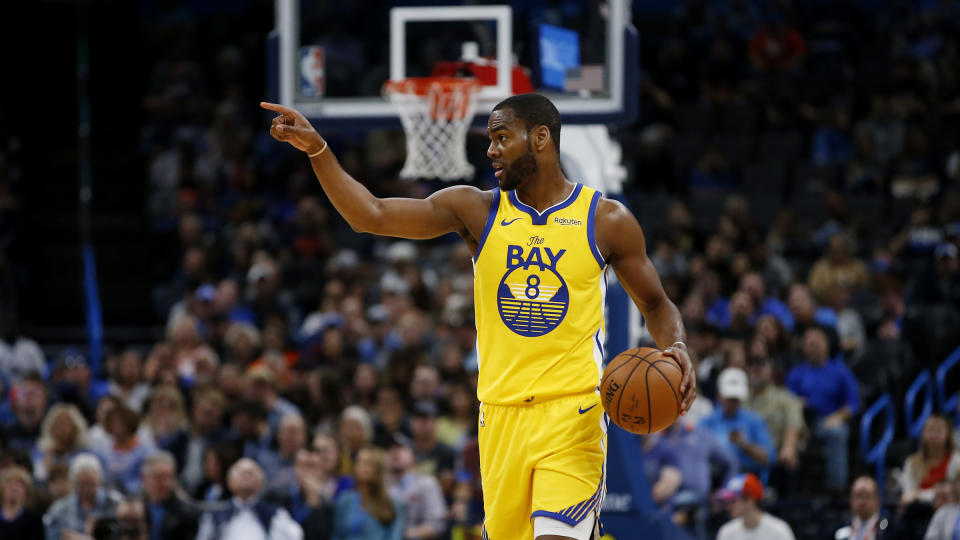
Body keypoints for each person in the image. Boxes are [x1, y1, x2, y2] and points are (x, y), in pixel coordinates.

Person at [261, 91, 696, 540]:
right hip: (499, 418)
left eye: (502, 137)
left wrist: (676, 346)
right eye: (490, 139)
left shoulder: (606, 219)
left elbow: (656, 304)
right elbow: (370, 214)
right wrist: (318, 150)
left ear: (541, 137)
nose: (490, 150)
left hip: (573, 415)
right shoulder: (476, 209)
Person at [786, 326, 859, 489]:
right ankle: (791, 491)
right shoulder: (796, 373)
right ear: (804, 348)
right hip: (800, 421)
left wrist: (837, 417)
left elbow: (853, 403)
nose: (814, 347)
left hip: (826, 419)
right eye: (810, 344)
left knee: (837, 433)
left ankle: (836, 487)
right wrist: (798, 404)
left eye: (818, 343)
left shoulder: (840, 372)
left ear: (826, 345)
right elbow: (787, 401)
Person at [196, 457, 303, 540]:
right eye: (241, 473)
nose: (246, 476)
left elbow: (295, 536)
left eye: (251, 474)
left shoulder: (275, 514)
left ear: (260, 483)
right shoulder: (215, 514)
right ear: (229, 482)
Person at [699, 368, 775, 479]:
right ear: (719, 395)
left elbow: (769, 459)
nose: (732, 402)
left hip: (748, 477)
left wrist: (743, 444)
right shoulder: (707, 422)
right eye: (729, 398)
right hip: (714, 477)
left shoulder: (755, 421)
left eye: (736, 398)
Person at [745, 355, 804, 495]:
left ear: (771, 371)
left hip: (776, 456)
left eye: (762, 365)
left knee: (788, 464)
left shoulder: (785, 398)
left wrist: (789, 447)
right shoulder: (739, 398)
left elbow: (794, 424)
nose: (757, 369)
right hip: (744, 454)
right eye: (753, 364)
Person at [43, 453, 124, 540]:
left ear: (99, 480)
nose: (87, 489)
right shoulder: (59, 510)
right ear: (73, 483)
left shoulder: (117, 504)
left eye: (91, 484)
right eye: (83, 484)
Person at [331, 447, 403, 540]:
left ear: (378, 469)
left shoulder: (394, 504)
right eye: (359, 462)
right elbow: (337, 535)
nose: (362, 467)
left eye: (368, 463)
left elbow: (394, 536)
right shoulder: (345, 500)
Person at [387, 440, 446, 540]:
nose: (395, 452)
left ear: (413, 456)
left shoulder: (427, 483)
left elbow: (436, 524)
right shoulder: (381, 486)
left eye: (401, 449)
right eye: (390, 449)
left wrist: (402, 534)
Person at [901, 414, 960, 505]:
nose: (934, 434)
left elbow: (952, 493)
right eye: (930, 429)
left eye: (939, 430)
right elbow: (908, 495)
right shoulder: (911, 462)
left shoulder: (956, 461)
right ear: (923, 434)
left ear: (948, 435)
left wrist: (919, 495)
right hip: (918, 510)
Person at [715, 473, 795, 540]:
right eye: (728, 501)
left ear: (750, 500)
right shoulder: (726, 532)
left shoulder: (779, 530)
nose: (728, 506)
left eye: (733, 501)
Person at [140, 450, 199, 540]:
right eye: (159, 477)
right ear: (144, 478)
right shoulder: (136, 506)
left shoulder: (186, 512)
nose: (165, 483)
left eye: (169, 477)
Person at [0, 466, 44, 537]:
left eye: (19, 484)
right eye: (9, 482)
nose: (14, 487)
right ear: (2, 488)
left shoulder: (35, 520)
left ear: (26, 490)